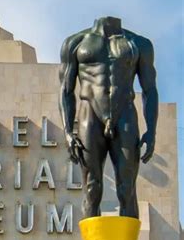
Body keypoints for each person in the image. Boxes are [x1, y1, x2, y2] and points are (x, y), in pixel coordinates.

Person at [59, 16, 158, 218]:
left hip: (125, 115)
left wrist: (151, 131)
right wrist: (68, 132)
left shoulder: (139, 44)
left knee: (127, 189)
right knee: (91, 188)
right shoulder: (75, 43)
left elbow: (150, 90)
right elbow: (65, 91)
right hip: (89, 115)